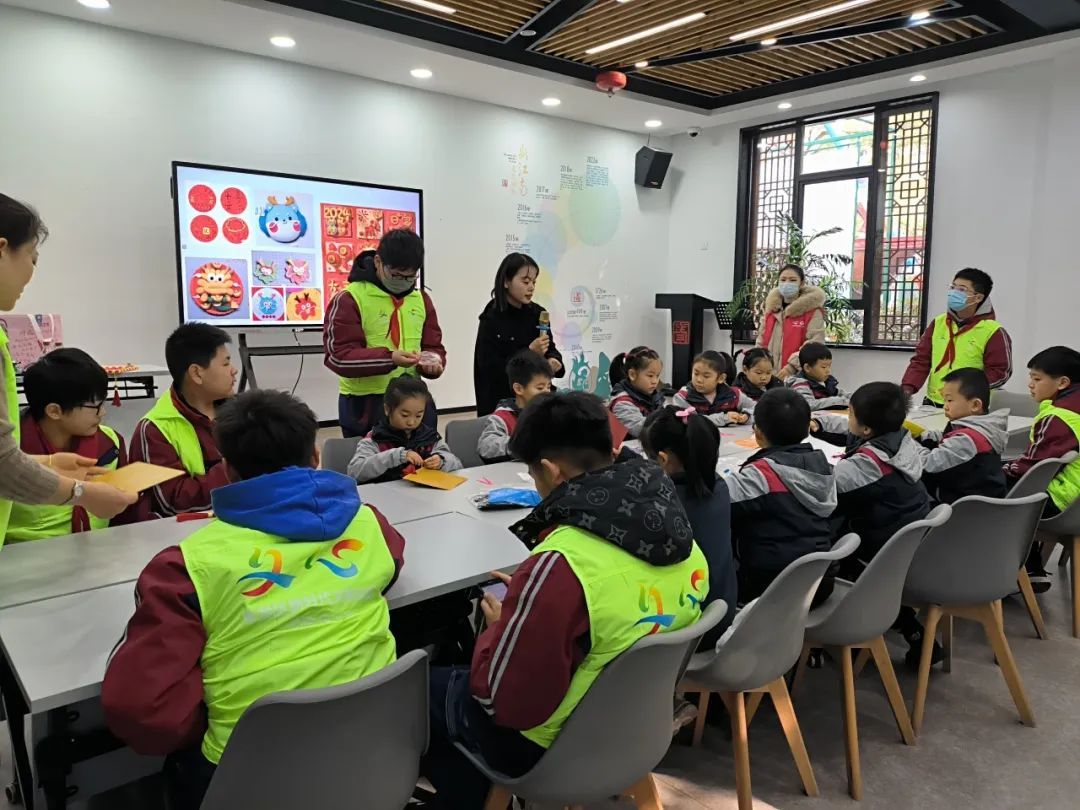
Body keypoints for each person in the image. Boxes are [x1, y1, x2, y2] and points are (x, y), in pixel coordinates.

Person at [102, 389, 406, 810]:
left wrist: (209, 709)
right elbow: (391, 566)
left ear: (227, 470)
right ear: (315, 456)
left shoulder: (186, 566)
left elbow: (140, 710)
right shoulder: (369, 524)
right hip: (372, 753)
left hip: (246, 778)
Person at [422, 392, 707, 808]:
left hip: (553, 747)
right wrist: (535, 602)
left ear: (552, 471)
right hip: (639, 726)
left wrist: (500, 629)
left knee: (417, 692)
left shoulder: (562, 563)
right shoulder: (682, 538)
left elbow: (505, 704)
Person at [0, 193, 134, 545]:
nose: (31, 274)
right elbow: (2, 463)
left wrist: (46, 463)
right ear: (2, 249)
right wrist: (80, 493)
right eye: (32, 258)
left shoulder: (109, 442)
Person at [812, 382, 932, 667]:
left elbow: (821, 489)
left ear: (866, 428)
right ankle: (912, 630)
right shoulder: (902, 440)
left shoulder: (867, 465)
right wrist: (818, 422)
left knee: (812, 537)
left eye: (850, 413)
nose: (847, 418)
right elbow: (847, 429)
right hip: (905, 543)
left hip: (873, 550)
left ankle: (826, 636)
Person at [8, 349, 144, 541]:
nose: (102, 413)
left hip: (102, 550)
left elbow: (125, 517)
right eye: (94, 406)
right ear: (54, 411)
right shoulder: (11, 453)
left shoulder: (111, 442)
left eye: (103, 403)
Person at [323, 228, 446, 437]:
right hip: (366, 404)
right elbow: (338, 356)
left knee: (423, 455)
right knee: (369, 456)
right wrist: (390, 358)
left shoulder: (421, 299)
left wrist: (433, 363)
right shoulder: (349, 299)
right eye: (396, 274)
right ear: (378, 262)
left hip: (413, 402)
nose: (403, 281)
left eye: (411, 276)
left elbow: (433, 346)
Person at [725, 387, 837, 604]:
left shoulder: (761, 477)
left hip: (771, 591)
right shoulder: (824, 467)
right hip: (819, 584)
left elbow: (716, 501)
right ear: (807, 427)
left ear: (757, 433)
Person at [641, 405, 736, 641]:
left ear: (662, 459)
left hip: (688, 635)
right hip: (723, 613)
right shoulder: (719, 487)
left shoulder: (659, 507)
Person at [130, 323, 236, 518]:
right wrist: (237, 467)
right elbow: (172, 503)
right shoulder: (155, 429)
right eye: (226, 364)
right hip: (190, 532)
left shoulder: (243, 412)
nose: (234, 370)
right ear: (196, 373)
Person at [1005, 346, 1080, 592]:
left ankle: (1014, 571)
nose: (1030, 384)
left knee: (986, 492)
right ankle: (1031, 566)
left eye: (1037, 379)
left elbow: (1032, 469)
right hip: (1075, 499)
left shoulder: (1060, 417)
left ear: (1062, 383)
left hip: (1062, 501)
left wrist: (1001, 470)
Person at [901, 268, 1012, 406]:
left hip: (970, 407)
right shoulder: (938, 323)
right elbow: (921, 360)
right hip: (933, 403)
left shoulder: (993, 331)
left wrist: (967, 389)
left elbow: (1000, 372)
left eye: (961, 289)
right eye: (952, 287)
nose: (953, 293)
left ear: (978, 297)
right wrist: (907, 389)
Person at [473, 253, 564, 416]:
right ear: (506, 282)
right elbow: (489, 368)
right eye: (525, 281)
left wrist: (554, 360)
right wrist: (529, 353)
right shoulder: (491, 317)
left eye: (534, 282)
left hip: (537, 401)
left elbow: (550, 348)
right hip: (501, 403)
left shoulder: (538, 313)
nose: (531, 287)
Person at [914, 368, 1008, 505]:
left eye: (949, 400)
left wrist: (908, 442)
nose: (945, 406)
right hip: (982, 497)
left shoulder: (967, 439)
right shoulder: (981, 427)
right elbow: (946, 437)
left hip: (964, 506)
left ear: (975, 405)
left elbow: (928, 463)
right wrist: (922, 435)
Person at [348, 375, 462, 483]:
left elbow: (457, 464)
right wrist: (396, 456)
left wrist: (441, 461)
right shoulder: (374, 439)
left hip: (423, 494)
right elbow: (354, 472)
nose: (411, 422)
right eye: (405, 415)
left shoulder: (430, 437)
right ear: (387, 409)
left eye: (418, 415)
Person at [477, 350, 552, 463]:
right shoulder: (502, 417)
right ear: (518, 388)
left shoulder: (551, 412)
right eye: (540, 388)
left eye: (549, 387)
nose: (547, 392)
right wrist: (521, 444)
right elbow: (485, 447)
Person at [756, 264, 826, 380]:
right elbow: (761, 341)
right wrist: (756, 362)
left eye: (792, 280)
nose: (787, 283)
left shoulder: (812, 311)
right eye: (783, 280)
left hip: (797, 377)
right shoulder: (772, 310)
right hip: (767, 376)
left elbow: (815, 343)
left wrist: (791, 367)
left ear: (801, 283)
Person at [672, 350, 754, 427]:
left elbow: (756, 408)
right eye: (696, 374)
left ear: (721, 378)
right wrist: (723, 418)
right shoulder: (683, 396)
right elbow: (689, 420)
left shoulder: (733, 395)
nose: (699, 380)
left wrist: (747, 416)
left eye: (706, 376)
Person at [608, 345, 663, 437]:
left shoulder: (655, 396)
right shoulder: (622, 404)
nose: (655, 381)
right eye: (650, 376)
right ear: (632, 375)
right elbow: (644, 430)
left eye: (657, 376)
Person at [787, 342, 849, 410]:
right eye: (824, 367)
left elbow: (842, 394)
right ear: (807, 368)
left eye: (829, 366)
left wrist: (855, 399)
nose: (828, 370)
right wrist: (837, 401)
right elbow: (808, 405)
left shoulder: (826, 382)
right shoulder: (800, 384)